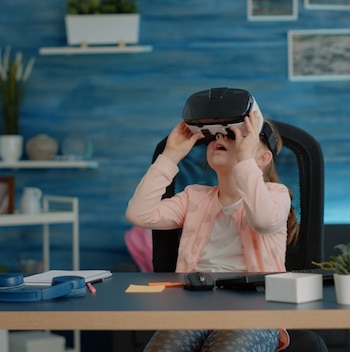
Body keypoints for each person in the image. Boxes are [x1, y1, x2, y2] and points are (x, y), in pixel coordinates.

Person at [126, 92, 297, 352]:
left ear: (263, 158)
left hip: (255, 311)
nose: (220, 137)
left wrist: (245, 158)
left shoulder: (276, 194)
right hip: (193, 307)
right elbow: (139, 214)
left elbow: (262, 221)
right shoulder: (193, 197)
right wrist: (170, 156)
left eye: (234, 135)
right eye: (216, 134)